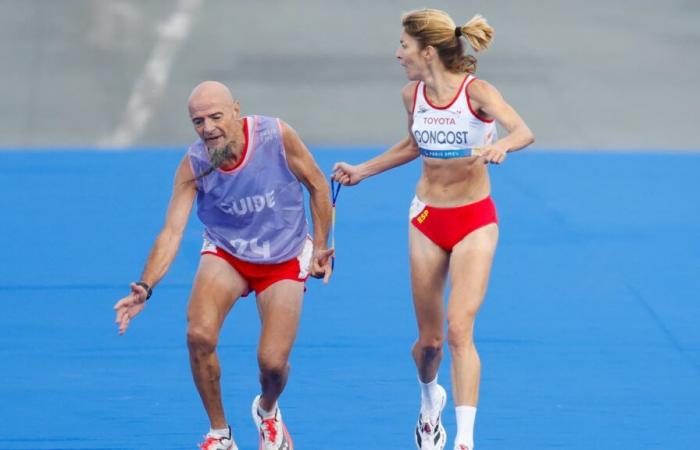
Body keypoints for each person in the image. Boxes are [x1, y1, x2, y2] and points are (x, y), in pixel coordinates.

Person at [333, 9, 534, 450]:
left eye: (403, 46)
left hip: (474, 220)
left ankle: (464, 439)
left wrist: (501, 143)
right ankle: (430, 400)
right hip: (427, 219)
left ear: (427, 51)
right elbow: (412, 144)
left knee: (460, 328)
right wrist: (362, 170)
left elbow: (523, 130)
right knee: (430, 343)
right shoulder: (412, 96)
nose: (397, 53)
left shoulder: (476, 92)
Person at [113, 81, 333, 450]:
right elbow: (171, 232)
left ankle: (267, 411)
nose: (208, 128)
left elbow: (317, 184)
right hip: (227, 253)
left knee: (273, 365)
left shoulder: (275, 135)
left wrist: (322, 246)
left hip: (284, 254)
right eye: (198, 121)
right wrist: (145, 286)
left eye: (215, 116)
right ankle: (220, 434)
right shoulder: (194, 164)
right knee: (198, 335)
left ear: (236, 111)